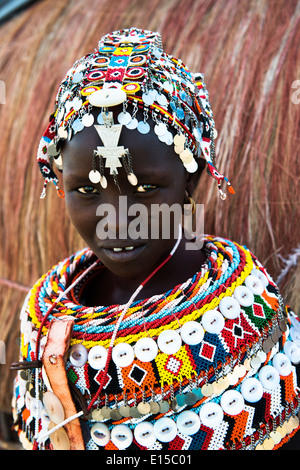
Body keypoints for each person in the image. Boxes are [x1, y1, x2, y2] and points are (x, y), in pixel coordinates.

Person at [11, 28, 300, 451]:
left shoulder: (245, 314)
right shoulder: (44, 315)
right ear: (59, 184)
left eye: (145, 189)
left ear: (192, 177)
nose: (116, 220)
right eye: (87, 191)